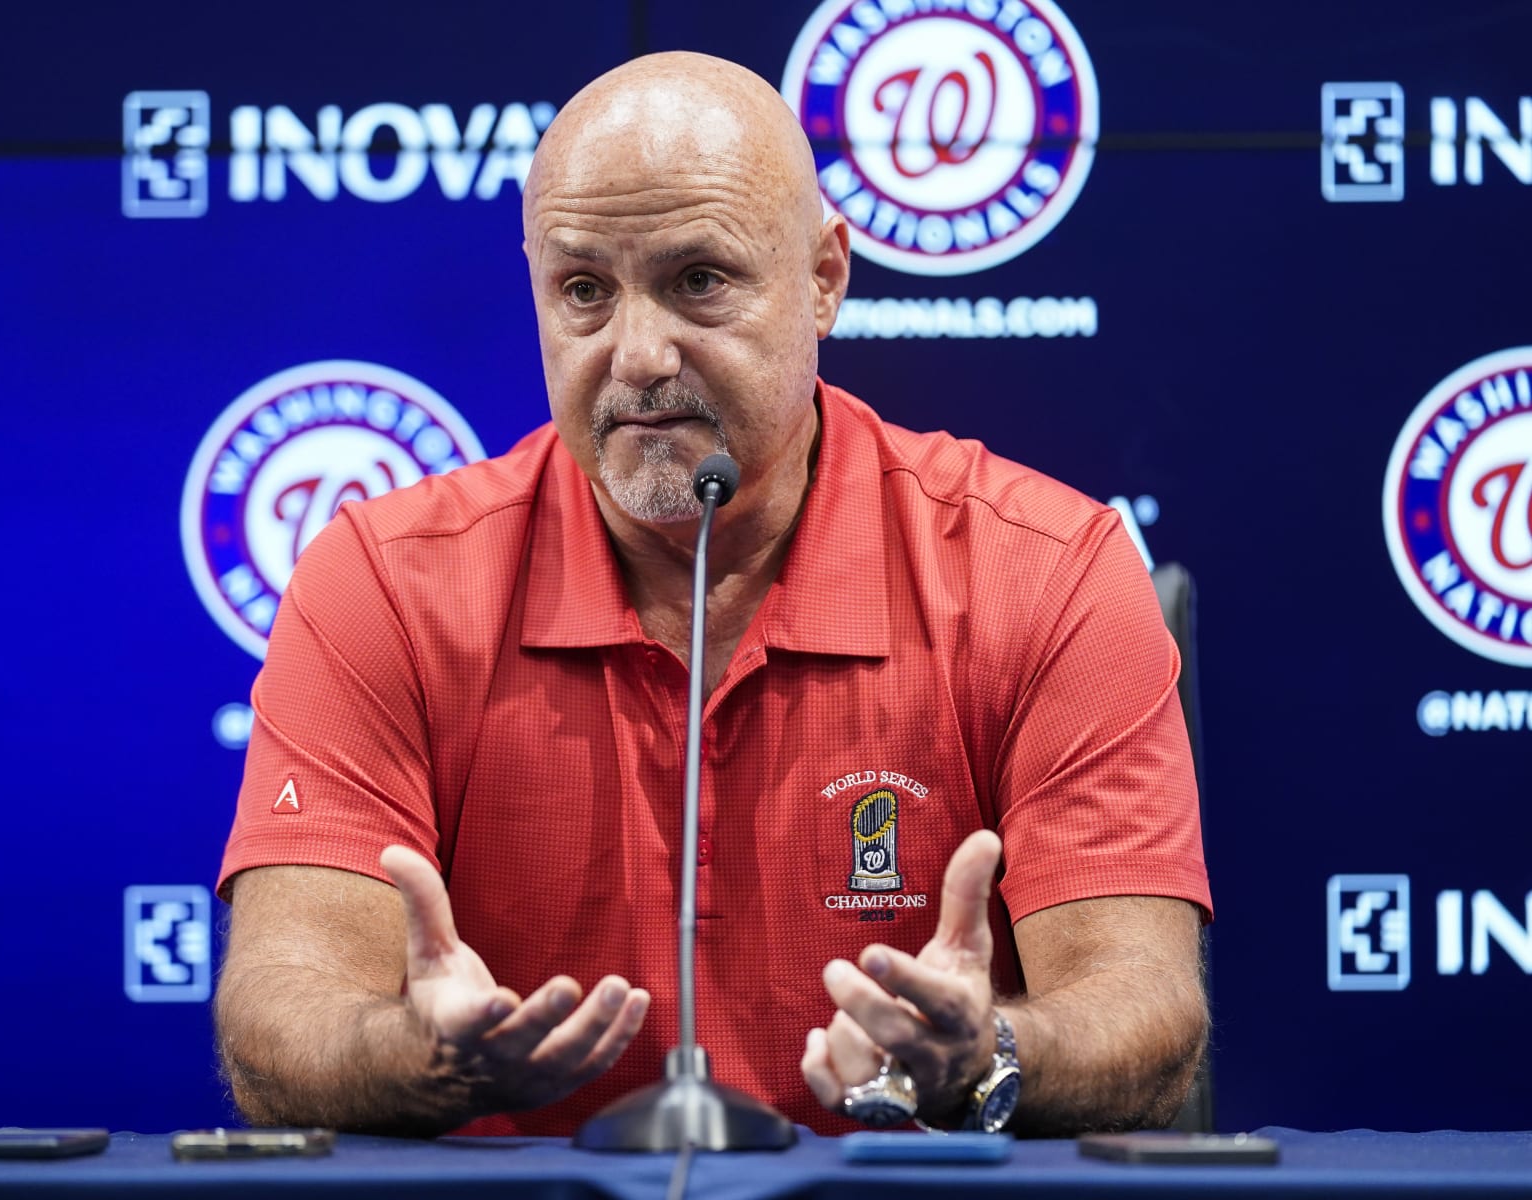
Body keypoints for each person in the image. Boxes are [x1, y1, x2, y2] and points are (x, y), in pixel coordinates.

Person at [213, 51, 1211, 1139]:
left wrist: (985, 1056)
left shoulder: (1045, 569)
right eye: (584, 290)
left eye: (699, 280)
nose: (638, 356)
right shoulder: (384, 583)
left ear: (826, 277)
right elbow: (280, 1015)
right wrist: (424, 1058)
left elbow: (1145, 1015)